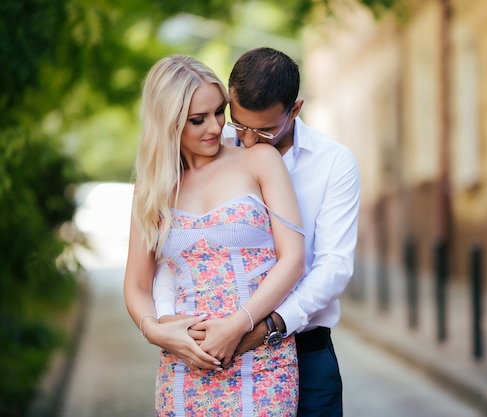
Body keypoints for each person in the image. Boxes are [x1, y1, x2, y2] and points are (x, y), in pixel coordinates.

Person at [123, 54, 305, 416]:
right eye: (197, 119)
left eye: (219, 112)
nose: (215, 127)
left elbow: (293, 260)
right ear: (169, 122)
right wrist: (157, 332)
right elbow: (136, 286)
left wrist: (238, 325)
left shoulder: (259, 160)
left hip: (261, 361)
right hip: (183, 366)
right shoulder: (153, 188)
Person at [189, 47, 361, 417]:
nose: (248, 141)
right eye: (239, 124)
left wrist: (266, 327)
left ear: (295, 110)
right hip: (221, 351)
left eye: (265, 129)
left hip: (305, 350)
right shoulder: (213, 151)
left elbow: (333, 266)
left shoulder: (333, 163)